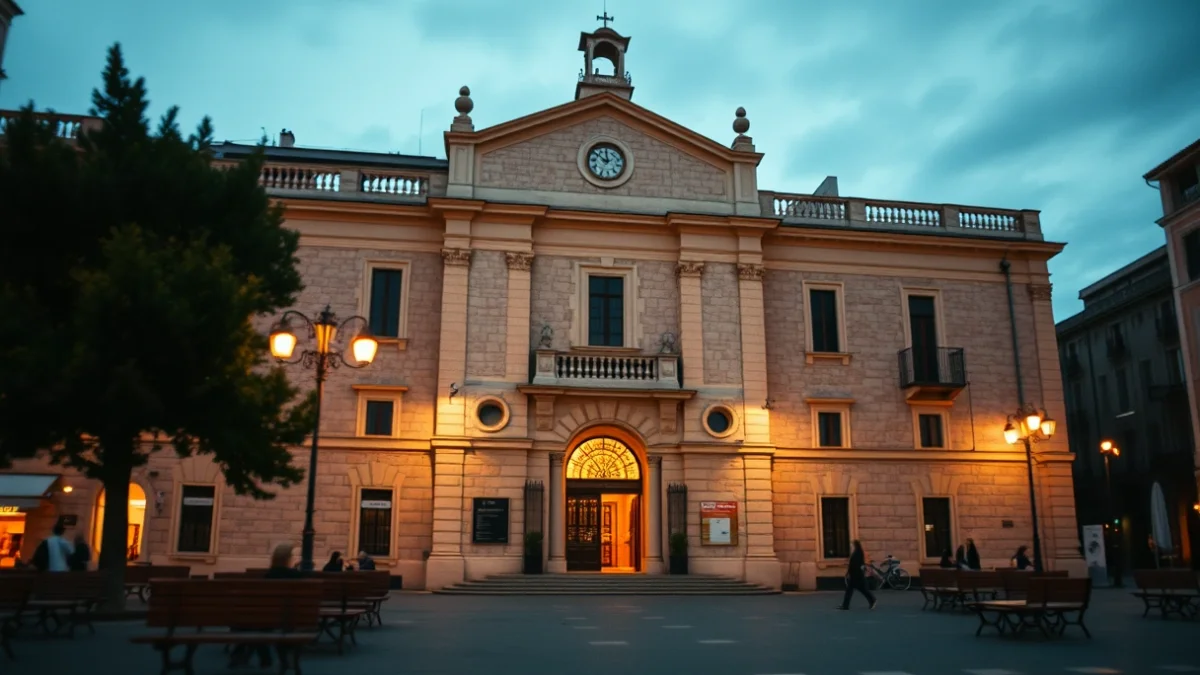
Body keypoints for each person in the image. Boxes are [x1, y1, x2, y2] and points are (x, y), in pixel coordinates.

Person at [229, 543, 303, 669]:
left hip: (266, 619)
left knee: (255, 624)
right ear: (288, 558)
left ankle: (249, 655)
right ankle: (269, 658)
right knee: (259, 625)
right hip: (288, 620)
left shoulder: (267, 577)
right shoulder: (297, 577)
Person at [836, 540, 877, 611]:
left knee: (855, 590)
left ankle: (846, 605)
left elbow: (855, 564)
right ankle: (845, 605)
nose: (851, 546)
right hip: (856, 575)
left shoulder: (857, 553)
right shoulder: (857, 553)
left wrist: (849, 571)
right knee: (858, 590)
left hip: (856, 576)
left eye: (852, 545)